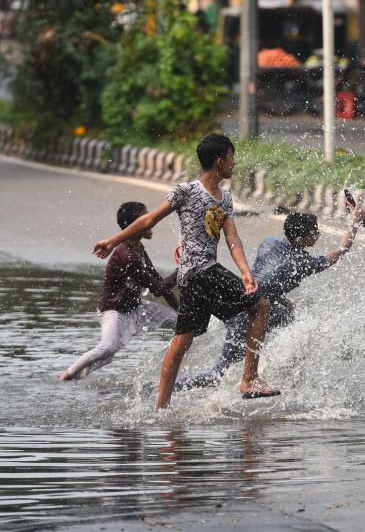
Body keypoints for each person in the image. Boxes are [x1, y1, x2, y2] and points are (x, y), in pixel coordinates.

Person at [92, 133, 278, 409]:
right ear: (219, 161)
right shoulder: (186, 191)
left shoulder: (225, 199)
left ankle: (161, 408)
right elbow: (149, 218)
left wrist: (245, 272)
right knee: (261, 306)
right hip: (201, 271)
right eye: (231, 157)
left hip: (191, 277)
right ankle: (248, 380)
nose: (234, 163)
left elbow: (232, 239)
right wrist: (112, 240)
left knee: (182, 340)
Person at [173, 210, 365, 391]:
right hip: (249, 315)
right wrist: (354, 224)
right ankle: (167, 388)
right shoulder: (301, 262)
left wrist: (281, 299)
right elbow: (340, 251)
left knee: (292, 318)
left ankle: (271, 364)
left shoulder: (269, 243)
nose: (318, 234)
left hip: (242, 303)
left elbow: (268, 278)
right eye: (314, 231)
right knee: (217, 374)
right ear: (302, 237)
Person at [58, 202, 179, 381]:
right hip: (113, 311)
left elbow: (159, 284)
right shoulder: (126, 255)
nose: (151, 222)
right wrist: (183, 269)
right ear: (135, 225)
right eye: (145, 218)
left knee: (180, 322)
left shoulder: (138, 249)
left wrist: (181, 311)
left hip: (135, 307)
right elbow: (157, 288)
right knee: (107, 349)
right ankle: (66, 376)